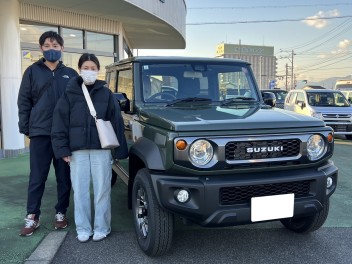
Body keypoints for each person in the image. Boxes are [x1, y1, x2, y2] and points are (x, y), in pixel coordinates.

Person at [51, 53, 128, 243]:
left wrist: (119, 151)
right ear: (79, 69)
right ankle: (83, 228)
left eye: (93, 68)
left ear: (98, 70)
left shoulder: (106, 93)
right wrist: (63, 150)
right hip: (77, 151)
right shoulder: (69, 93)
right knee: (80, 191)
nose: (90, 71)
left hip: (101, 149)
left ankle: (102, 227)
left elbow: (116, 121)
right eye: (86, 67)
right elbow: (59, 123)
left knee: (103, 190)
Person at [17, 31, 78, 236]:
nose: (51, 49)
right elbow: (24, 101)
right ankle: (32, 215)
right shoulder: (32, 71)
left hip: (63, 135)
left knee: (64, 177)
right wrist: (26, 127)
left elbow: (78, 104)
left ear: (62, 48)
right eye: (47, 45)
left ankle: (61, 212)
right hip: (40, 133)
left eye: (55, 45)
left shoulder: (70, 73)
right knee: (37, 177)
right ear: (41, 48)